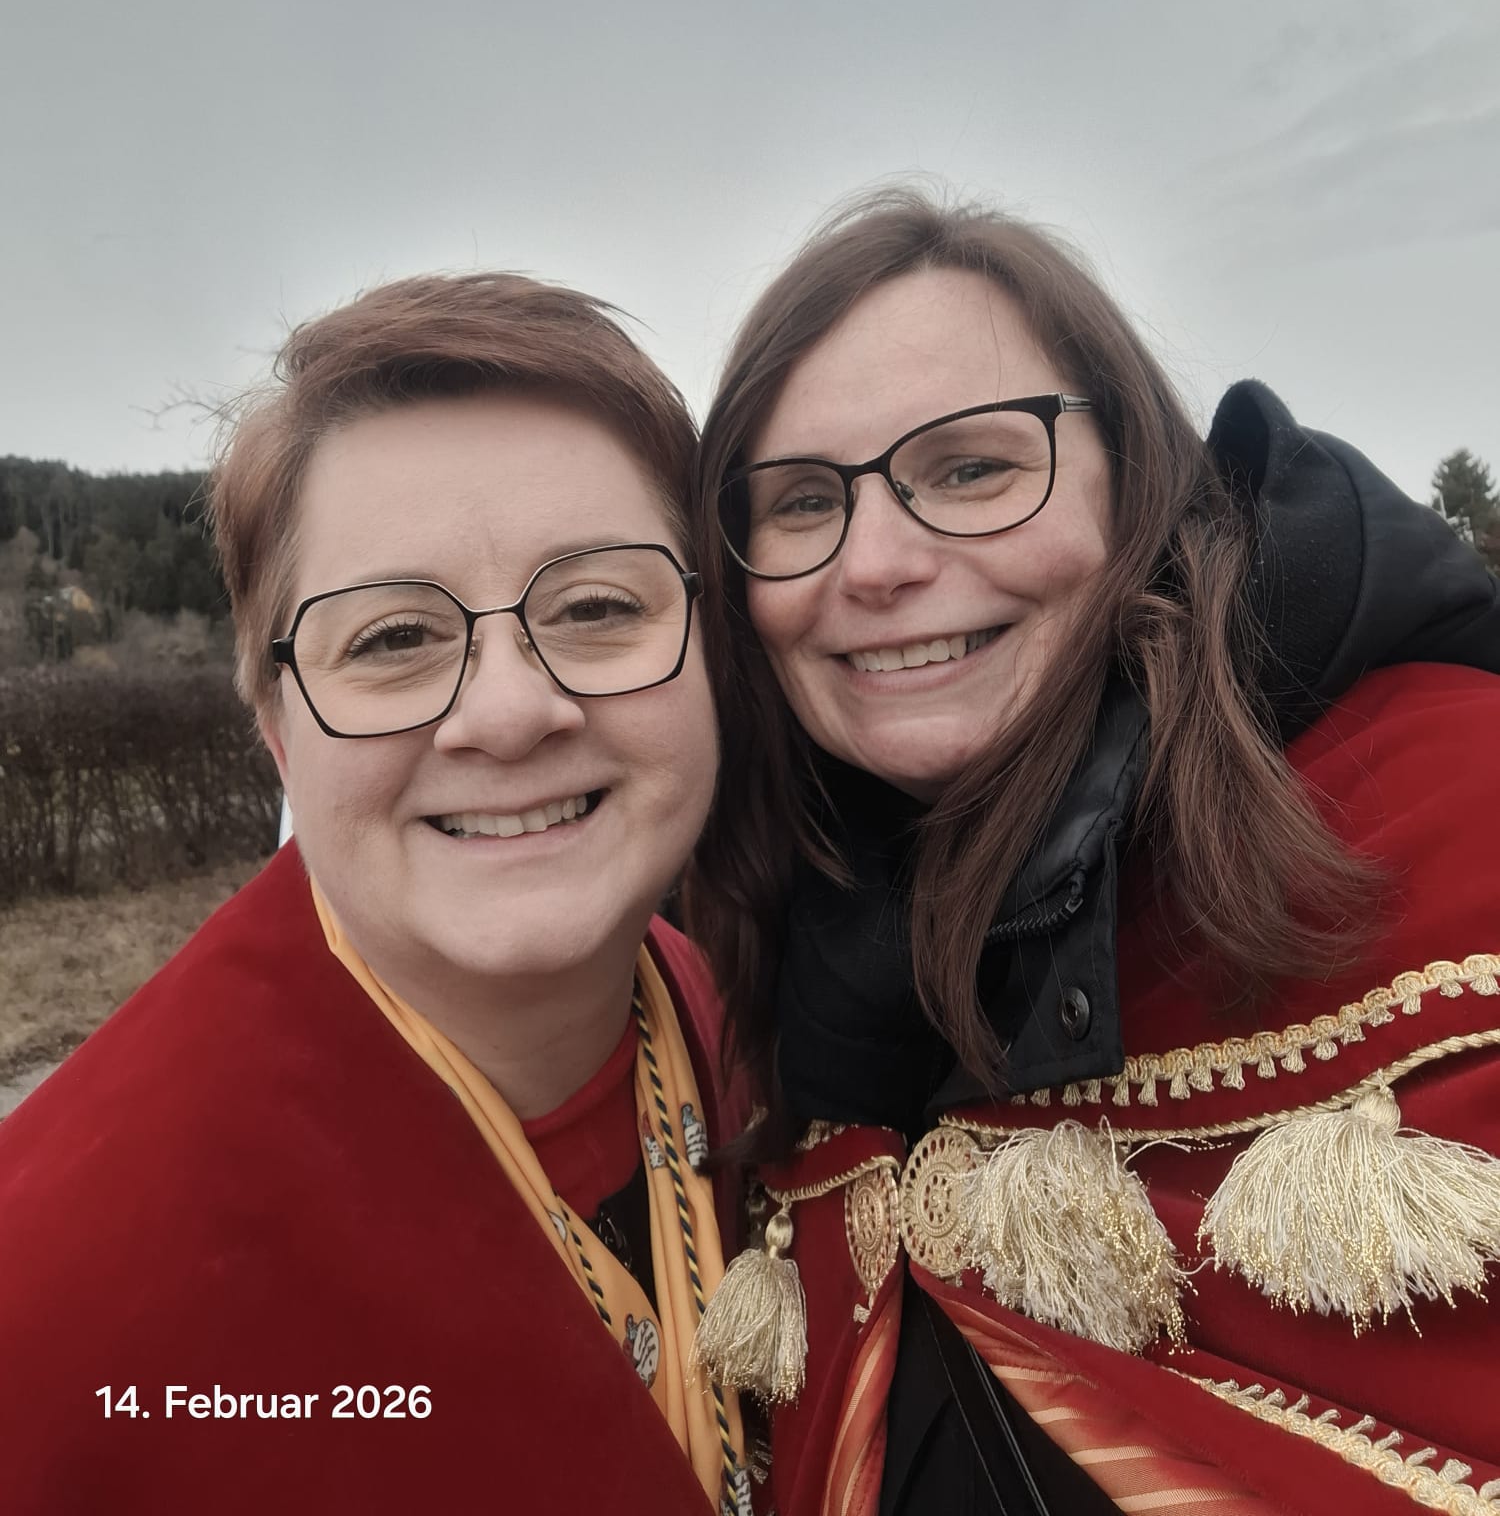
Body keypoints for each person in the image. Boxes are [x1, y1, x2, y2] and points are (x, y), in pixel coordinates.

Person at [685, 187, 1500, 1516]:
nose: (876, 563)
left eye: (972, 468)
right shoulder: (760, 958)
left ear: (1135, 477)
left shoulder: (1455, 800)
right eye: (799, 501)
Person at [0, 273, 759, 1516]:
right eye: (394, 637)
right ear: (278, 729)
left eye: (598, 605)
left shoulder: (779, 1050)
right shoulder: (49, 1299)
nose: (509, 711)